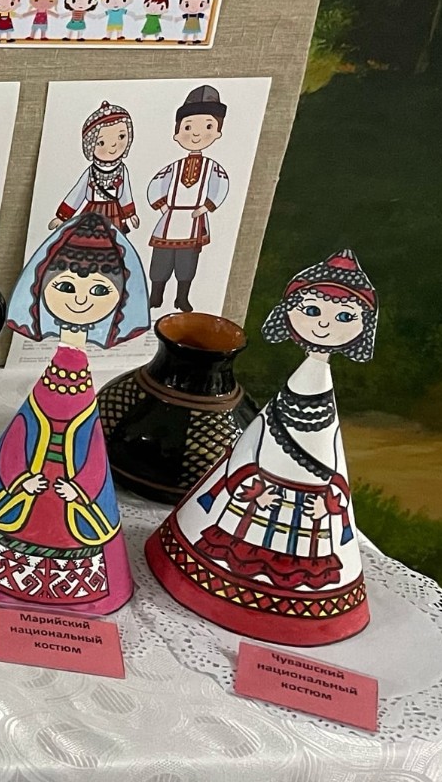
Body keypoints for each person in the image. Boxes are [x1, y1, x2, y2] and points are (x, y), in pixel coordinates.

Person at [147, 251, 377, 645]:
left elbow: (329, 457)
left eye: (343, 317)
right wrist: (246, 484)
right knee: (243, 534)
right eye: (312, 311)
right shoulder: (293, 396)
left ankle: (275, 602)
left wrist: (332, 501)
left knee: (296, 547)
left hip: (305, 502)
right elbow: (257, 447)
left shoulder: (317, 389)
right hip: (260, 491)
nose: (324, 324)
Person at [0, 212, 151, 615]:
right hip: (31, 489)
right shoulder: (54, 385)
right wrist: (21, 484)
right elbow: (20, 440)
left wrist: (79, 494)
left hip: (69, 500)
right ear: (42, 289)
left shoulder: (78, 379)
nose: (81, 300)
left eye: (100, 291)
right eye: (66, 287)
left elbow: (89, 457)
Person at [144, 85, 231, 311]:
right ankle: (156, 295)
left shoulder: (212, 167)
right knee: (161, 260)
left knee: (187, 262)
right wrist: (162, 205)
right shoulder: (174, 167)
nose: (196, 134)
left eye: (208, 126)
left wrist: (206, 207)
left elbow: (220, 185)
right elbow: (156, 184)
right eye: (188, 127)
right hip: (171, 217)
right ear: (177, 132)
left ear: (217, 132)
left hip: (193, 218)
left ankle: (181, 297)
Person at [53, 102, 137, 235]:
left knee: (113, 240)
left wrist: (130, 214)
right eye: (101, 142)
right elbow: (78, 193)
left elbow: (125, 193)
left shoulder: (122, 170)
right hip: (93, 211)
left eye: (121, 136)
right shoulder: (91, 172)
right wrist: (63, 216)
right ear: (90, 146)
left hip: (114, 212)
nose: (113, 145)